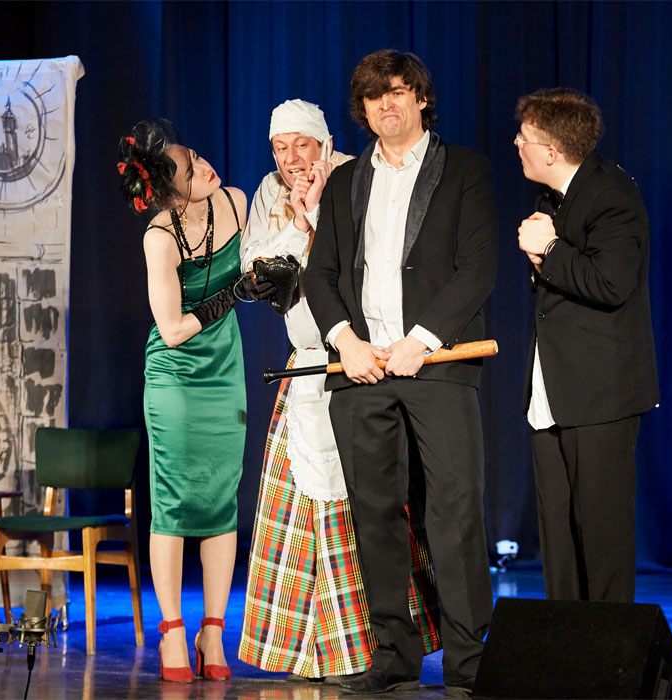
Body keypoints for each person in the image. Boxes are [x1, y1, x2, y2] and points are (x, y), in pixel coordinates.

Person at [303, 50, 496, 697]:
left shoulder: (464, 170)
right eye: (373, 96)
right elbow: (320, 274)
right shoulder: (345, 181)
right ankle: (393, 653)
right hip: (361, 372)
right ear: (362, 110)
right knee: (375, 514)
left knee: (455, 510)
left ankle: (470, 662)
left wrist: (423, 339)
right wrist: (346, 341)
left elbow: (477, 266)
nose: (386, 104)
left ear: (421, 98)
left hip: (436, 365)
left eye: (398, 91)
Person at [237, 99, 441, 680]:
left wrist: (320, 212)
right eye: (280, 148)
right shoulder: (270, 192)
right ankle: (311, 650)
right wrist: (299, 224)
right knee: (304, 515)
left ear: (324, 143)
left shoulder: (357, 177)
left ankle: (376, 648)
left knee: (369, 509)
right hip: (306, 365)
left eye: (301, 145)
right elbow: (257, 273)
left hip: (363, 361)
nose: (291, 159)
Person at [117, 119, 269, 682]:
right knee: (176, 501)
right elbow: (174, 329)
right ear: (168, 188)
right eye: (189, 168)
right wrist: (235, 293)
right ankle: (172, 632)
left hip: (225, 369)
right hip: (176, 377)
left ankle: (213, 631)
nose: (205, 167)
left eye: (198, 155)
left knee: (221, 499)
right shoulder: (159, 238)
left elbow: (265, 260)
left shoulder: (236, 201)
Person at [514, 88, 659, 603]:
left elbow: (611, 283)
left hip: (600, 393)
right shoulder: (552, 198)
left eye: (525, 138)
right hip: (554, 386)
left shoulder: (612, 194)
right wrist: (543, 259)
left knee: (602, 533)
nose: (517, 145)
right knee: (558, 533)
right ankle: (565, 640)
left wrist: (549, 249)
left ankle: (609, 643)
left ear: (552, 151)